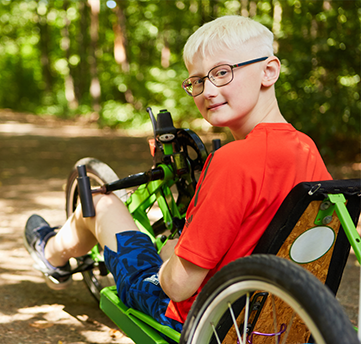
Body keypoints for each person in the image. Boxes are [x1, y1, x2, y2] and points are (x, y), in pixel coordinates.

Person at [23, 15, 332, 332]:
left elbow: (178, 286)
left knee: (102, 205)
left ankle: (51, 254)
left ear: (268, 71)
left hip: (202, 319)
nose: (207, 91)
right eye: (197, 81)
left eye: (222, 73)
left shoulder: (232, 160)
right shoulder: (307, 149)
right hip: (282, 320)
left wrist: (171, 252)